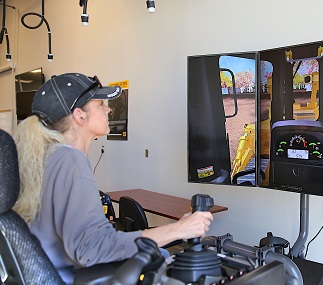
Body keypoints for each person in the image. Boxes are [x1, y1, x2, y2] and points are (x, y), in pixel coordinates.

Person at [12, 73, 213, 283]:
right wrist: (178, 230)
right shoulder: (70, 161)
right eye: (100, 105)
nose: (108, 109)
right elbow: (92, 249)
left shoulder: (47, 157)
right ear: (80, 116)